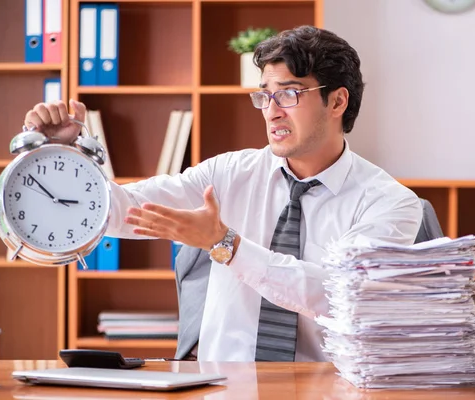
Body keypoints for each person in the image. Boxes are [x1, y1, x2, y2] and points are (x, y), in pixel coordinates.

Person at [23, 25, 422, 362]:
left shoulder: (390, 203)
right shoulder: (228, 173)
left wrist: (226, 245)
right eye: (265, 95)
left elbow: (336, 295)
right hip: (221, 385)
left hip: (328, 387)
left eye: (288, 94)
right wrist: (60, 157)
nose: (272, 111)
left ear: (337, 101)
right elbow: (120, 209)